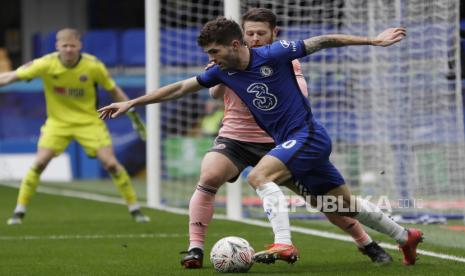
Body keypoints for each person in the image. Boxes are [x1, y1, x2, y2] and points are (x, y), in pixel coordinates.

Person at [99, 17, 423, 266]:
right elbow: (180, 88)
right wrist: (132, 103)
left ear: (237, 44)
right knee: (340, 204)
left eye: (215, 51)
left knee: (258, 177)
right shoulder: (221, 71)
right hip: (285, 142)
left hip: (305, 136)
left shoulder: (276, 54)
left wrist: (374, 41)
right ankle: (404, 236)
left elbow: (323, 40)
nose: (211, 59)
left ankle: (283, 242)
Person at [179, 8, 391, 269]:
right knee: (209, 176)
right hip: (235, 138)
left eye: (261, 33)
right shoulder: (224, 61)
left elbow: (301, 92)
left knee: (325, 201)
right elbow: (212, 94)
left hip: (279, 142)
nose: (255, 38)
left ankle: (366, 242)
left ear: (273, 34)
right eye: (250, 33)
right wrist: (223, 72)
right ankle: (195, 249)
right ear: (240, 37)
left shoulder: (284, 58)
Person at [0, 28, 150, 225]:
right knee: (39, 163)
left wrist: (131, 112)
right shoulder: (46, 63)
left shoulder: (93, 66)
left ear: (80, 46)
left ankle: (135, 209)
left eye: (73, 46)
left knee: (111, 163)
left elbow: (114, 90)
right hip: (57, 123)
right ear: (57, 46)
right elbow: (10, 77)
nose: (69, 50)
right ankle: (19, 211)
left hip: (89, 122)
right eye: (65, 46)